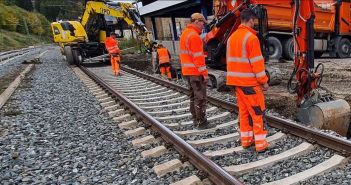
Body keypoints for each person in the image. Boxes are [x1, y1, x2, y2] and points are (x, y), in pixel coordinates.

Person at [226, 9, 270, 152]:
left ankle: (246, 141)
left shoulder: (232, 38)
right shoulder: (251, 38)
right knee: (257, 114)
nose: (254, 23)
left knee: (244, 113)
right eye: (254, 21)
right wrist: (264, 81)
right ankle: (261, 145)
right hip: (250, 85)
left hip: (236, 84)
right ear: (250, 20)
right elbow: (257, 64)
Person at [179, 13, 215, 130]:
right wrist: (205, 74)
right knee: (200, 97)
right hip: (195, 72)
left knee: (193, 97)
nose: (203, 25)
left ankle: (195, 119)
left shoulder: (185, 34)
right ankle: (202, 122)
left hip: (187, 72)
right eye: (202, 22)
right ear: (195, 21)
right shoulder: (194, 36)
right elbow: (198, 58)